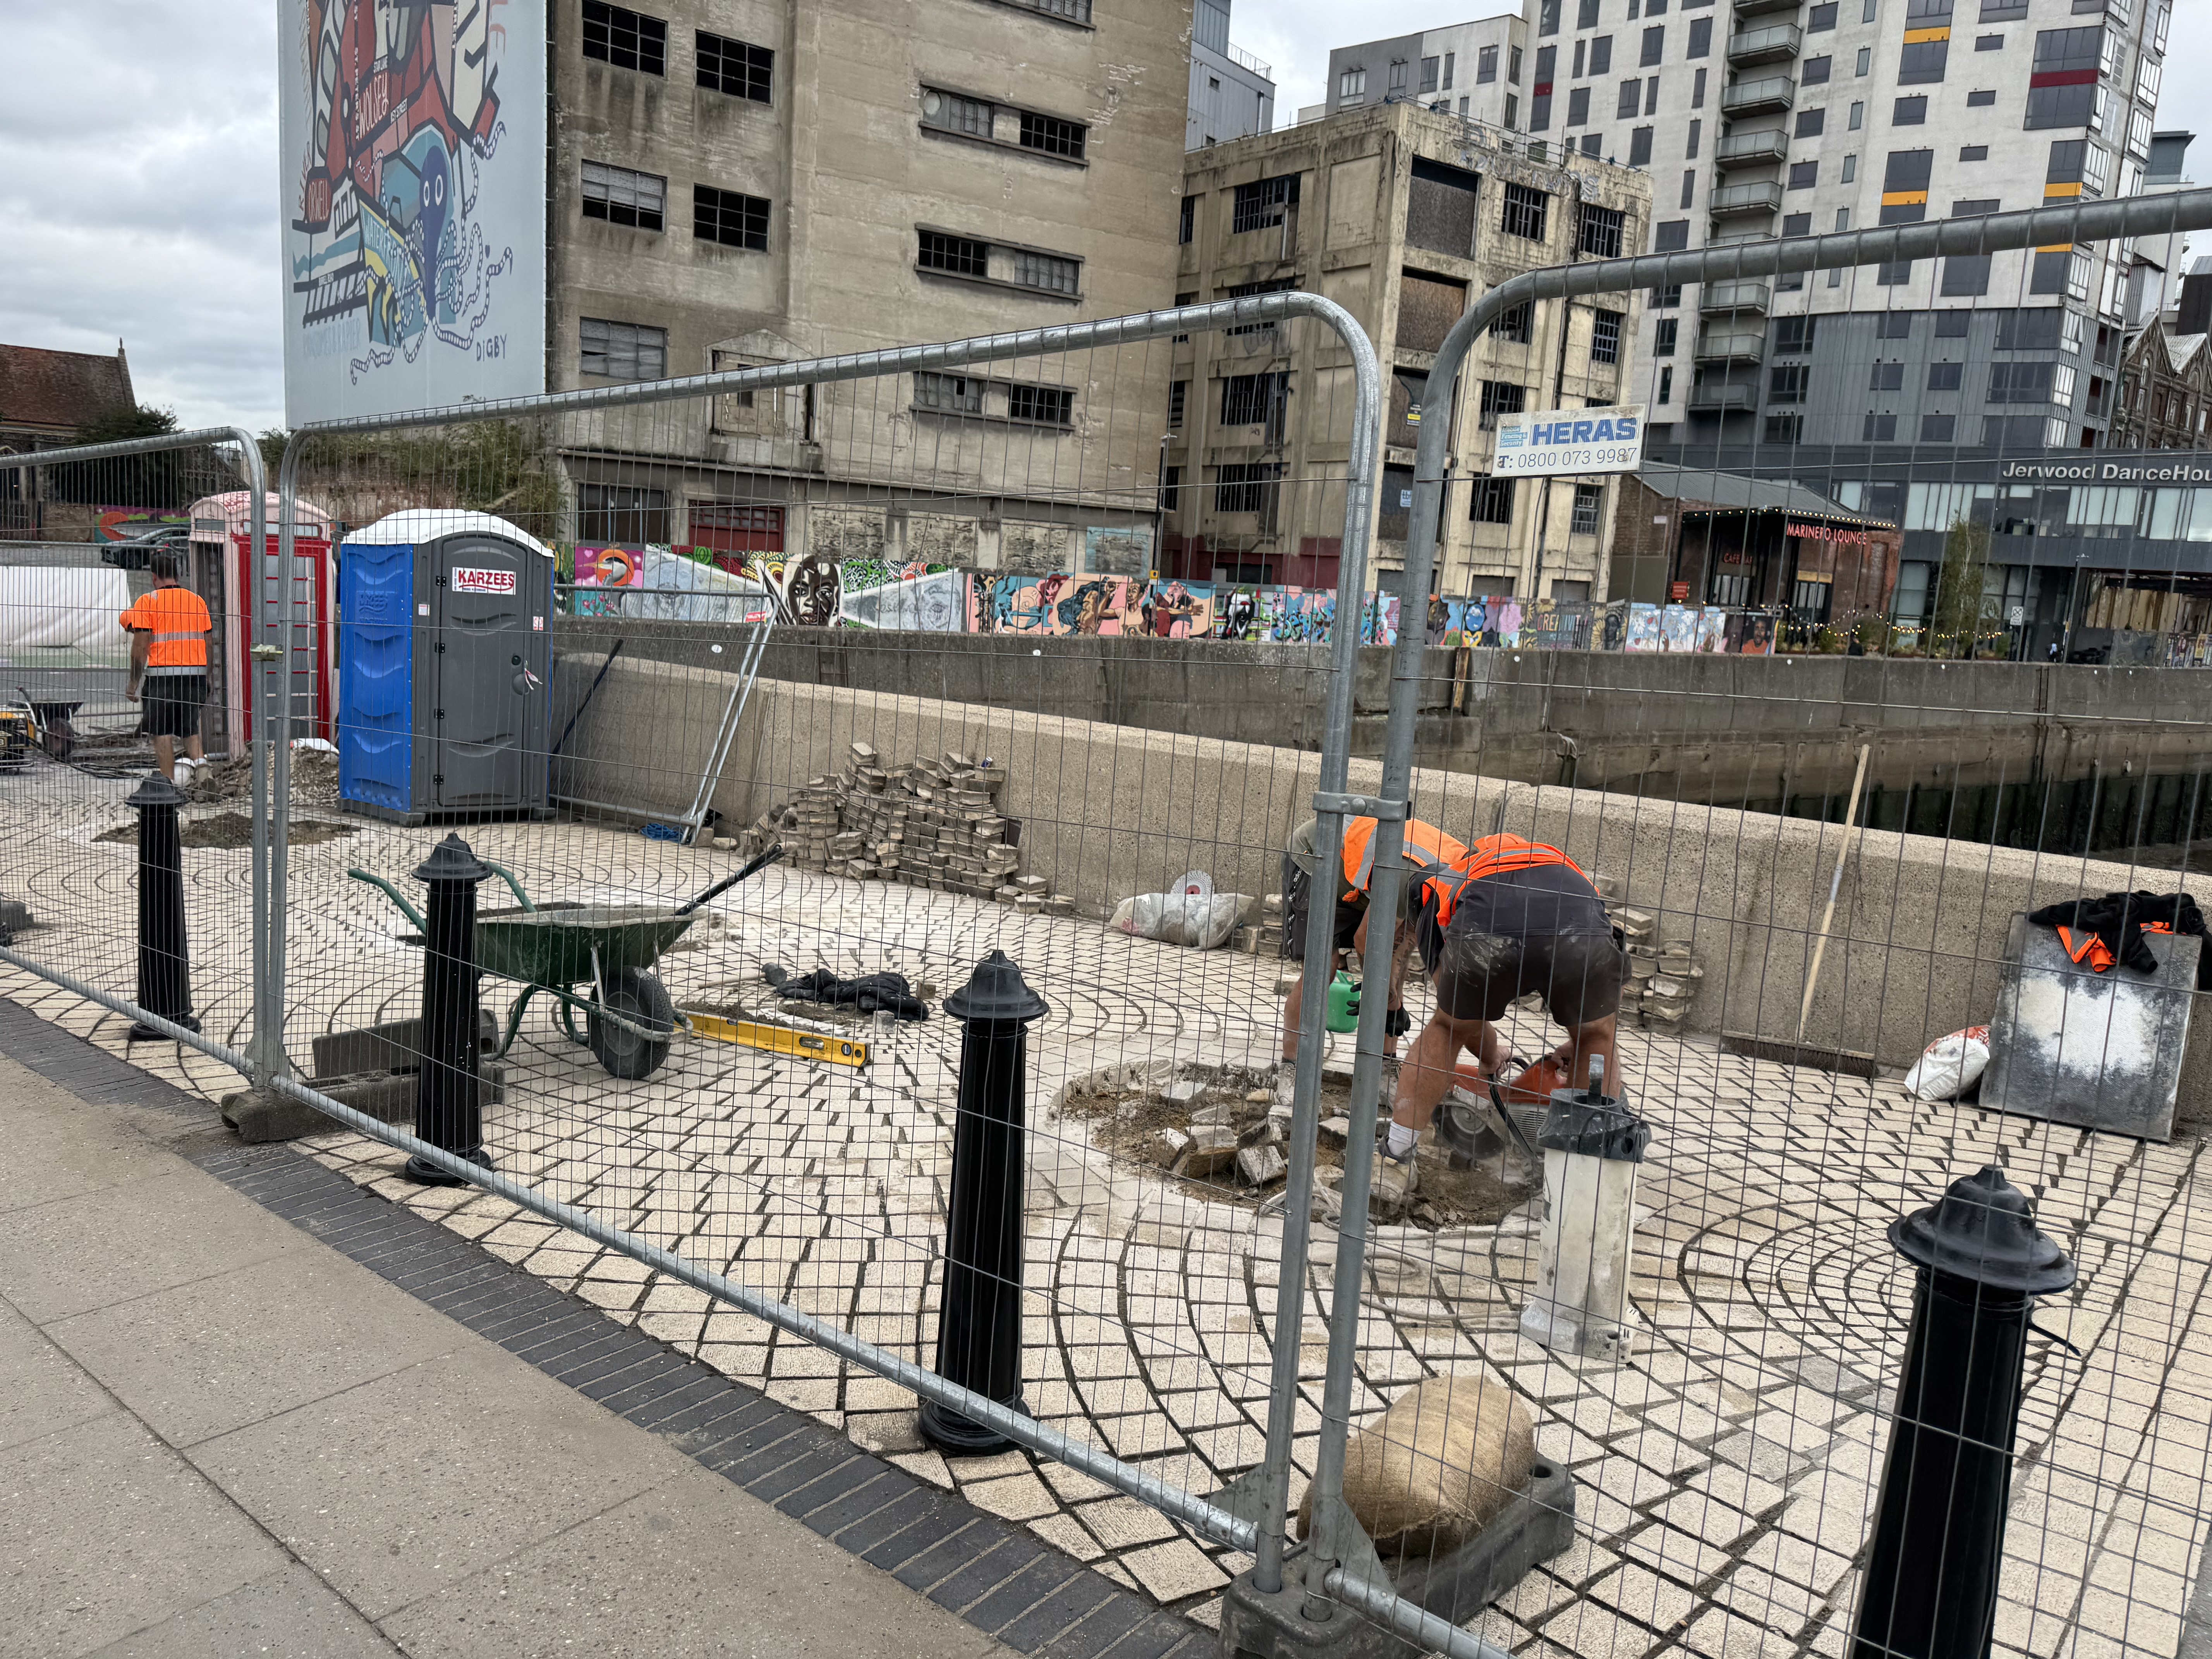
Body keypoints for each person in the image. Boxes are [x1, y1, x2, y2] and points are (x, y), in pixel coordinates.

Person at [1381, 832, 1626, 1168]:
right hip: (1575, 918)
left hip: (1488, 919)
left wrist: (1490, 1057)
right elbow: (1611, 977)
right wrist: (1583, 1037)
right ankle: (1579, 1171)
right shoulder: (1559, 865)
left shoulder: (1435, 889)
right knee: (1597, 1036)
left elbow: (1464, 1018)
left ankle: (1395, 1154)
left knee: (1446, 1029)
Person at [1275, 814, 1469, 1106]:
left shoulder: (1454, 884)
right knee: (1323, 968)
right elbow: (1365, 941)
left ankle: (1384, 1068)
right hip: (1316, 856)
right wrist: (1381, 996)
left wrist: (1391, 1001)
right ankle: (1292, 1067)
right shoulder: (1414, 881)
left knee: (1395, 966)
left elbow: (1398, 952)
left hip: (1366, 874)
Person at [120, 551, 214, 783]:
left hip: (162, 679)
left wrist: (133, 683)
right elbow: (209, 643)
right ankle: (204, 772)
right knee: (190, 729)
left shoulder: (147, 601)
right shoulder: (197, 601)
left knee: (161, 733)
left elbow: (140, 646)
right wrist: (207, 677)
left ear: (154, 577)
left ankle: (168, 785)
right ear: (178, 576)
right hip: (195, 677)